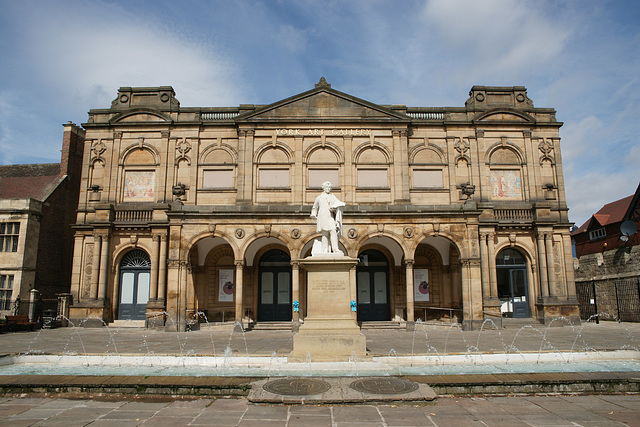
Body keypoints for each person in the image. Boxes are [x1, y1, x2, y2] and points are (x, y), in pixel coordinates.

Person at [310, 181, 345, 255]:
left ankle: (335, 248)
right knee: (325, 233)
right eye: (327, 187)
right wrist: (313, 214)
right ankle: (325, 249)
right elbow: (315, 207)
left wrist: (336, 207)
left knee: (333, 231)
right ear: (324, 188)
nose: (328, 189)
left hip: (330, 216)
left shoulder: (333, 196)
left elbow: (338, 203)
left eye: (329, 187)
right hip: (322, 216)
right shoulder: (319, 197)